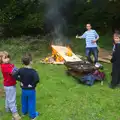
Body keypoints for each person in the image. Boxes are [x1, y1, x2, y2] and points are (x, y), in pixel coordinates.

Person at [13, 53, 40, 120]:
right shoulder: (33, 72)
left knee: (24, 101)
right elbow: (37, 79)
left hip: (24, 90)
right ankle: (33, 116)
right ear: (30, 62)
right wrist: (32, 85)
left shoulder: (21, 69)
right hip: (31, 90)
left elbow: (14, 75)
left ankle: (24, 112)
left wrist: (21, 80)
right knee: (31, 102)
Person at [0, 51, 21, 120]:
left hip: (8, 84)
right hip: (9, 85)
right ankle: (15, 114)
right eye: (5, 58)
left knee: (8, 97)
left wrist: (20, 70)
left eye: (8, 57)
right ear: (1, 60)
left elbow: (15, 68)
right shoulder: (4, 66)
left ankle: (7, 108)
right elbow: (14, 73)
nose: (8, 59)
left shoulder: (9, 64)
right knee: (12, 99)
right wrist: (22, 77)